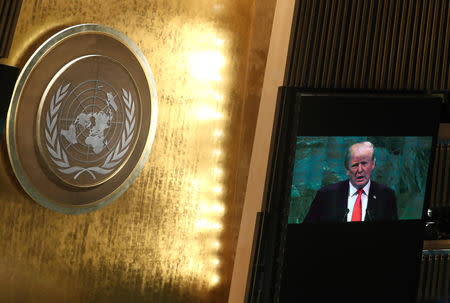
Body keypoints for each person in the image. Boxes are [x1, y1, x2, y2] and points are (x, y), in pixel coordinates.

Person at [303, 141, 397, 223]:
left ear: (373, 164)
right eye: (355, 165)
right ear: (347, 168)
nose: (360, 170)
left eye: (364, 163)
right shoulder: (326, 195)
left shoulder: (386, 195)